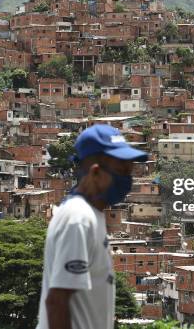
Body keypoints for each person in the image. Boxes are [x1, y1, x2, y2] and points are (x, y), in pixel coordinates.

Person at [36, 124, 148, 329]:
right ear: (95, 173)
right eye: (122, 171)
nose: (127, 180)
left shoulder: (91, 216)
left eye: (130, 171)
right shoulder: (78, 219)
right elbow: (57, 302)